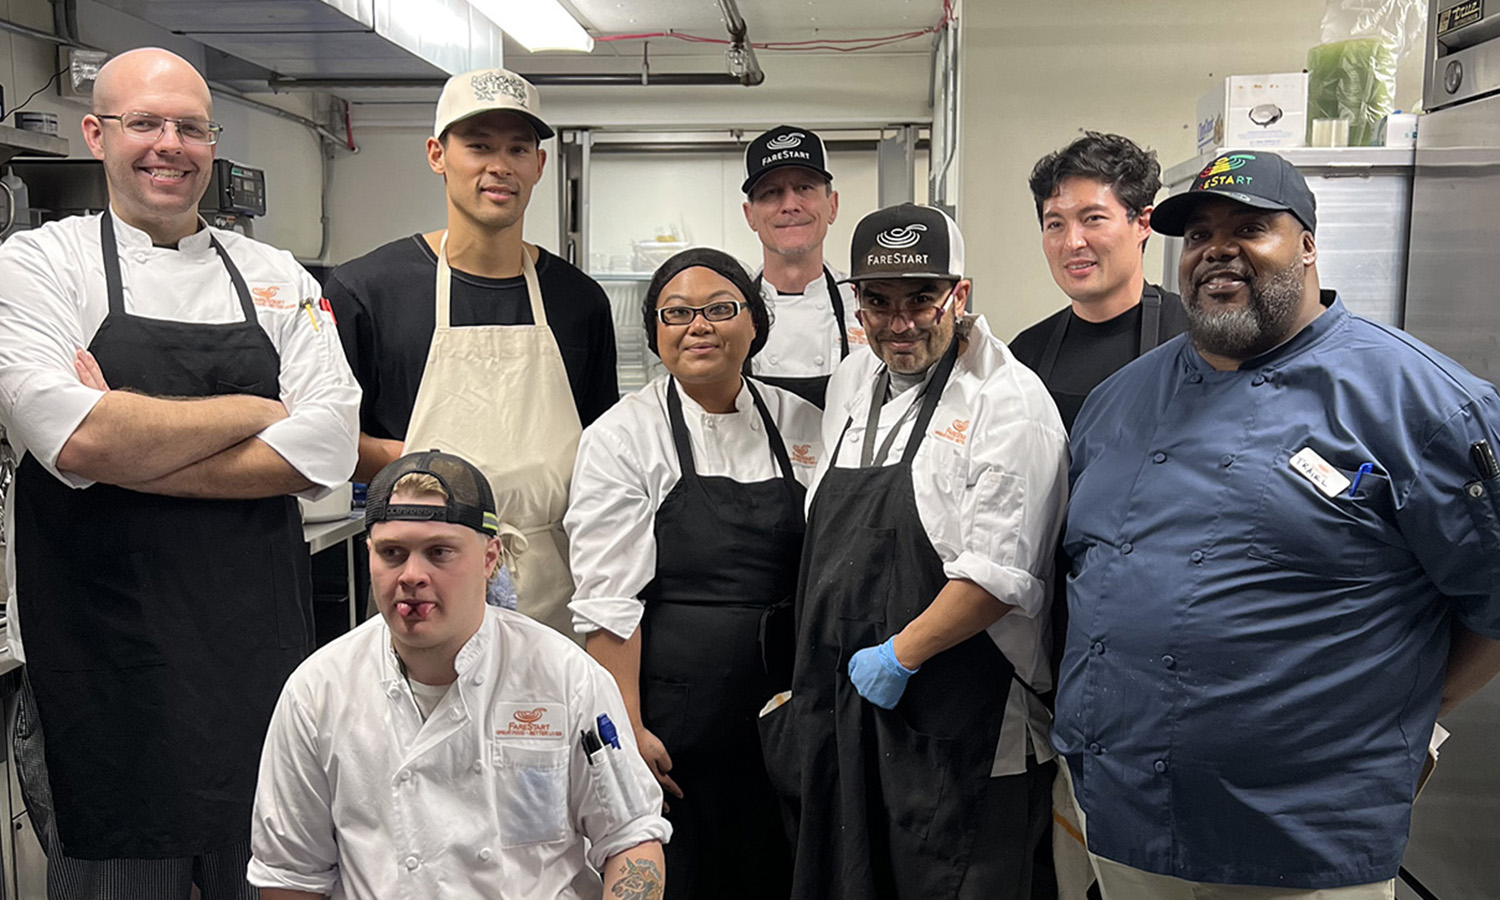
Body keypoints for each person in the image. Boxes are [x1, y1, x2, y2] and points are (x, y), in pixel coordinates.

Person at [1055, 151, 1500, 899]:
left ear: (1308, 245)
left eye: (1251, 227)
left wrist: (1403, 714)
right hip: (1125, 817)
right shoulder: (1118, 400)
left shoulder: (1421, 403)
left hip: (1303, 836)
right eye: (1198, 235)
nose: (1216, 250)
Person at [0, 48, 359, 899]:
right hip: (103, 677)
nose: (170, 145)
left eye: (190, 127)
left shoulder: (277, 279)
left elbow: (331, 447)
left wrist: (126, 442)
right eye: (145, 123)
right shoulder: (36, 267)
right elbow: (76, 437)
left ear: (213, 142)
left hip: (255, 674)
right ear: (96, 134)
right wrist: (259, 412)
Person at [762, 204, 1069, 899]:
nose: (900, 323)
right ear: (857, 305)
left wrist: (900, 655)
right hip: (855, 723)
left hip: (964, 725)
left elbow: (998, 576)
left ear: (960, 295)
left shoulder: (1008, 402)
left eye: (922, 300)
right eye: (879, 301)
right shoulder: (852, 382)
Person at [248, 449, 669, 900]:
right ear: (368, 555)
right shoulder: (317, 692)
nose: (412, 575)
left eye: (439, 552)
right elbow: (290, 875)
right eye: (393, 553)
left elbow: (631, 838)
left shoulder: (566, 678)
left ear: (490, 558)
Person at [565, 248, 822, 899]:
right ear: (655, 332)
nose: (698, 326)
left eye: (719, 309)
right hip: (677, 724)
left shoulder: (804, 425)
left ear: (754, 323)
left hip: (787, 712)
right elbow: (608, 601)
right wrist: (626, 729)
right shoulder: (623, 436)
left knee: (783, 870)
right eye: (676, 313)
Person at [324, 67, 616, 637]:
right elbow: (327, 440)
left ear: (540, 165)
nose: (498, 165)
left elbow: (605, 450)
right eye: (478, 145)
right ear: (437, 154)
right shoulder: (367, 289)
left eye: (517, 148)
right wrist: (439, 474)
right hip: (421, 575)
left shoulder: (578, 300)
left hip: (554, 582)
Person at [1009, 131, 1188, 433]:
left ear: (1143, 223)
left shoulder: (1193, 340)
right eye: (1055, 224)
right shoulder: (1024, 356)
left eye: (1093, 218)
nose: (1072, 242)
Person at [740, 124, 862, 408]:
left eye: (804, 188)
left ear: (832, 206)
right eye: (771, 192)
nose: (790, 204)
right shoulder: (730, 312)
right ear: (750, 216)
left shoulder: (867, 306)